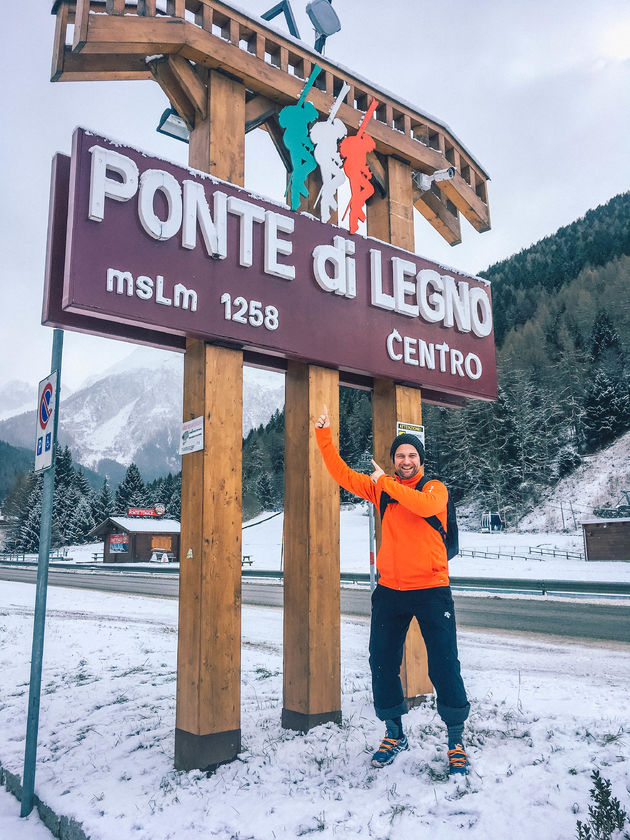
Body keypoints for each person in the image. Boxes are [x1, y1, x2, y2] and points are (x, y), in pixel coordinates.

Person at [314, 405, 470, 775]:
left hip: (432, 589)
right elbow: (340, 473)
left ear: (420, 460)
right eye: (400, 455)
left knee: (444, 664)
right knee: (381, 662)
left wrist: (386, 482)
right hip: (390, 591)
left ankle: (456, 740)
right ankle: (394, 732)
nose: (405, 460)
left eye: (411, 455)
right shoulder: (381, 491)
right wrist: (324, 434)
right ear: (393, 459)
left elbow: (420, 505)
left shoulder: (434, 488)